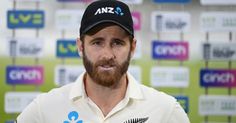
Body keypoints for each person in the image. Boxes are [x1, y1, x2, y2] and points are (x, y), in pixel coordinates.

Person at [16, 0, 190, 123]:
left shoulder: (165, 110)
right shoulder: (45, 108)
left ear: (132, 47)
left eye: (118, 43)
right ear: (80, 46)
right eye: (97, 42)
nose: (107, 54)